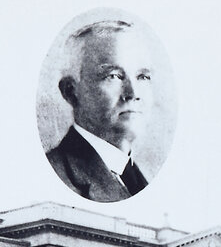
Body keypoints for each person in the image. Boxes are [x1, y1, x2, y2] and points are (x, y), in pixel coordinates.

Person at [45, 20, 153, 202]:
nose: (133, 93)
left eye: (142, 76)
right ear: (71, 91)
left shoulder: (137, 179)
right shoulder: (59, 172)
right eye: (114, 76)